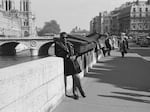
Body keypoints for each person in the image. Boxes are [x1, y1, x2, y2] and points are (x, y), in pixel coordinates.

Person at [55, 32, 86, 100]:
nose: (65, 39)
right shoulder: (58, 44)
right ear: (60, 38)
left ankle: (76, 91)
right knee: (75, 76)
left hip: (74, 62)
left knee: (75, 76)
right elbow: (57, 53)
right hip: (67, 63)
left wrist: (75, 56)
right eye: (63, 37)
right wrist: (68, 57)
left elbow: (77, 52)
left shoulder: (70, 44)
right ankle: (79, 91)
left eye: (66, 37)